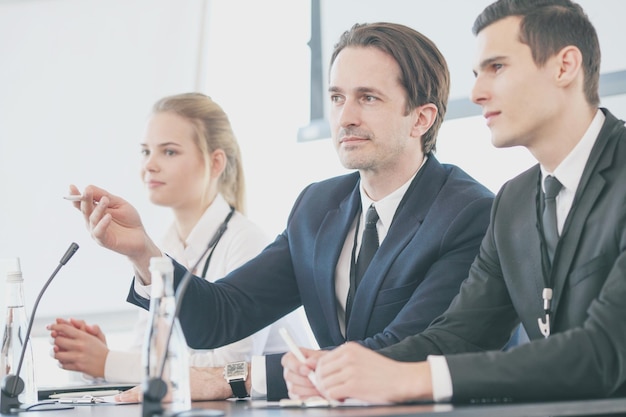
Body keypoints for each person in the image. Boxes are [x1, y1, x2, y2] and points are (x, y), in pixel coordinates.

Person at [68, 22, 494, 401]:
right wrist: (143, 252)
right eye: (336, 97)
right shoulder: (316, 207)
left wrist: (237, 377)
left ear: (421, 118)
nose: (344, 117)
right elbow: (222, 315)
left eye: (368, 98)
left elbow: (409, 348)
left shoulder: (469, 213)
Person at [288, 0, 626, 404]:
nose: (478, 93)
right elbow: (460, 334)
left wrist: (411, 381)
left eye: (497, 67)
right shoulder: (513, 203)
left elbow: (604, 352)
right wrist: (343, 371)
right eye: (476, 73)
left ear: (565, 66)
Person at [47, 92, 313, 384]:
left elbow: (231, 369)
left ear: (215, 163)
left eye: (169, 152)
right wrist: (94, 359)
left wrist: (109, 363)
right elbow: (145, 354)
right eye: (145, 151)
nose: (150, 165)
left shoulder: (246, 240)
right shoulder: (163, 246)